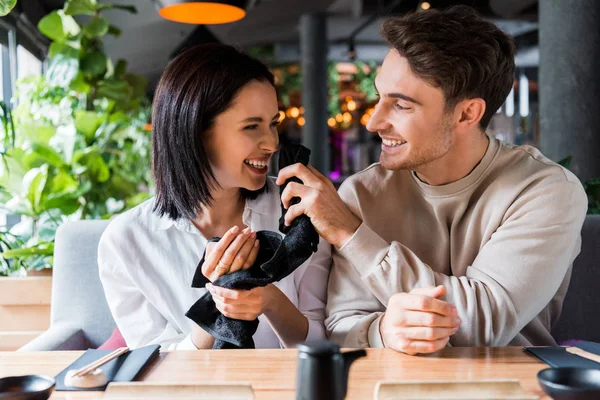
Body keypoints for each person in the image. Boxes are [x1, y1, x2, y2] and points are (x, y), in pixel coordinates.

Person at [275, 6, 588, 355]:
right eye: (380, 97)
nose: (373, 122)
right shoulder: (362, 193)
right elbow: (339, 327)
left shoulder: (546, 191)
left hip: (509, 386)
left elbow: (481, 327)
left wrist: (352, 236)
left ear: (467, 113)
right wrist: (382, 332)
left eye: (402, 106)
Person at [98, 44, 331, 350]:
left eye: (273, 123)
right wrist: (220, 305)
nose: (272, 143)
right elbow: (155, 365)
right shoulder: (127, 241)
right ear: (195, 131)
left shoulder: (299, 208)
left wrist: (269, 299)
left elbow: (324, 343)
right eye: (251, 126)